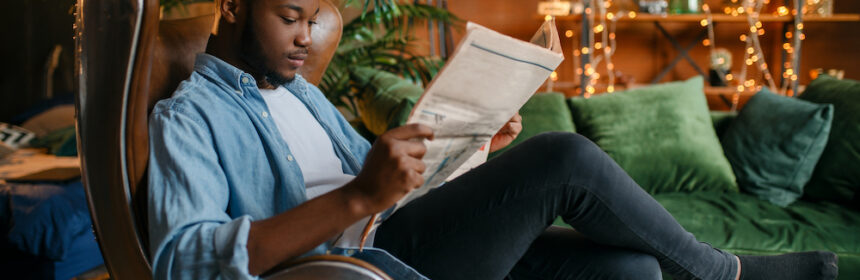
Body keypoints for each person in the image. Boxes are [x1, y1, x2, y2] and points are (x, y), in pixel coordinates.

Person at [146, 0, 839, 279]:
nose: (307, 37)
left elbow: (391, 188)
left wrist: (473, 146)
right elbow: (181, 261)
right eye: (289, 15)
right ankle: (722, 273)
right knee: (563, 156)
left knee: (632, 273)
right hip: (357, 267)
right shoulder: (188, 118)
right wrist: (361, 196)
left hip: (398, 226)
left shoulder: (303, 93)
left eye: (316, 15)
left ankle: (704, 271)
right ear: (233, 6)